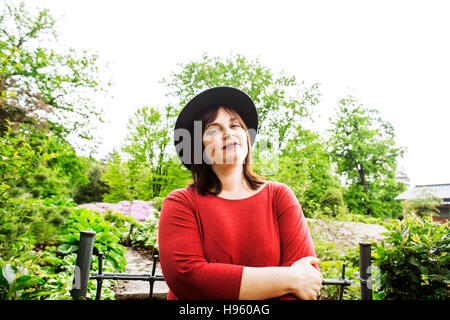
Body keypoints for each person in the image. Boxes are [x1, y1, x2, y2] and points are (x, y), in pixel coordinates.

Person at [158, 87, 322, 300]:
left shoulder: (279, 197)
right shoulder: (181, 203)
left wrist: (297, 280)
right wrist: (290, 279)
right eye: (213, 130)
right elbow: (188, 277)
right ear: (199, 148)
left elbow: (307, 281)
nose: (229, 132)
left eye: (235, 125)